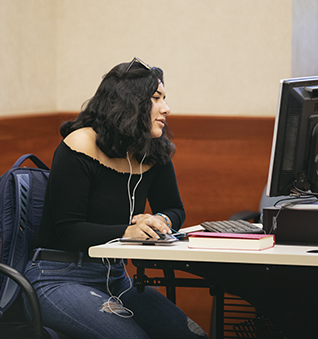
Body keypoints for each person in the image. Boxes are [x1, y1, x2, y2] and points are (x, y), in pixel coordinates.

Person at [22, 58, 208, 339]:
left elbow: (174, 208)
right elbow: (67, 230)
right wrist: (127, 232)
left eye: (164, 99)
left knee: (190, 335)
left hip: (114, 277)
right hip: (57, 277)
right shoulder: (79, 145)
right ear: (131, 103)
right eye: (156, 99)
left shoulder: (152, 148)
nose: (166, 108)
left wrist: (160, 220)